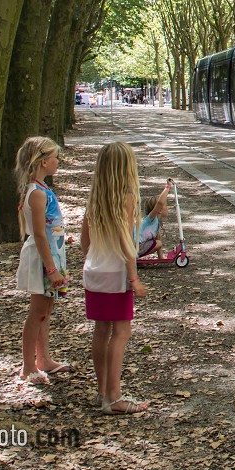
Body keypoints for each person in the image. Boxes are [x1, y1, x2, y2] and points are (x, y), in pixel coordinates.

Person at [83, 141, 149, 414]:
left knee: (101, 330)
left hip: (94, 271)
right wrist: (133, 278)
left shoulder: (95, 199)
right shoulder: (126, 198)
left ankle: (102, 391)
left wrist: (95, 258)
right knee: (121, 333)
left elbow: (84, 243)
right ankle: (115, 396)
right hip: (117, 275)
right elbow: (127, 243)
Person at [14, 136, 72, 383]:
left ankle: (43, 359)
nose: (58, 162)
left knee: (45, 310)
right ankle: (28, 365)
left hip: (51, 255)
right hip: (43, 259)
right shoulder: (37, 193)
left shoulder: (42, 190)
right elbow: (38, 233)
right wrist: (51, 268)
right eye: (56, 158)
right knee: (37, 312)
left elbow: (48, 228)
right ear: (45, 161)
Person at [138, 183, 171, 260]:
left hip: (137, 247)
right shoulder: (150, 219)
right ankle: (132, 258)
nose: (167, 207)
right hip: (133, 248)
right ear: (158, 210)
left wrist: (161, 258)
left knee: (158, 242)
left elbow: (158, 239)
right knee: (158, 243)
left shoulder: (156, 223)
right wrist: (167, 187)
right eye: (165, 205)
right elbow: (160, 203)